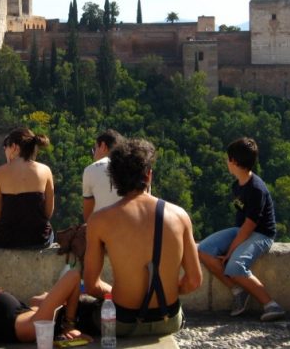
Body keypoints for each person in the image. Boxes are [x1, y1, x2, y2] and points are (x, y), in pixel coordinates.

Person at [83, 138, 202, 337]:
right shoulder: (179, 215)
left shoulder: (99, 221)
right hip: (168, 319)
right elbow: (194, 281)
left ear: (114, 179)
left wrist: (121, 292)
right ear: (148, 175)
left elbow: (92, 285)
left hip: (123, 321)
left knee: (81, 309)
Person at [197, 137, 285, 322]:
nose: (226, 162)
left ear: (234, 162)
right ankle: (238, 291)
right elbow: (242, 223)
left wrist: (230, 251)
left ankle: (271, 304)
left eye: (228, 158)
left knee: (235, 266)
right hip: (242, 230)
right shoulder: (237, 185)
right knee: (203, 250)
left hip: (262, 234)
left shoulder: (256, 189)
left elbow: (250, 225)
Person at [0, 127, 54, 248]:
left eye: (6, 146)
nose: (4, 150)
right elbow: (48, 213)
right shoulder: (45, 170)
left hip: (6, 239)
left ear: (14, 147)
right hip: (38, 239)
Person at [82, 129, 124, 222]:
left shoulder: (90, 170)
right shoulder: (135, 166)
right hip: (132, 229)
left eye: (95, 148)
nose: (94, 154)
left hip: (103, 229)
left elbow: (88, 215)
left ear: (103, 146)